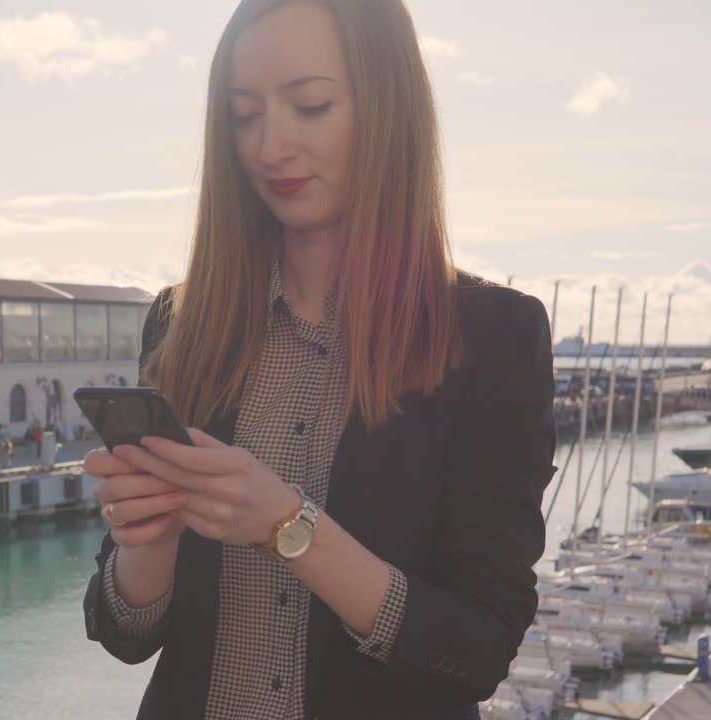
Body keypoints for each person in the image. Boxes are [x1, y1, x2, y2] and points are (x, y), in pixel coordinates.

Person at [82, 3, 556, 718]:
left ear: (388, 104)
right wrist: (147, 540)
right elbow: (124, 633)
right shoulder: (181, 322)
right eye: (243, 114)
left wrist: (286, 525)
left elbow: (477, 648)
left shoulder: (495, 337)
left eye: (310, 105)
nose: (270, 148)